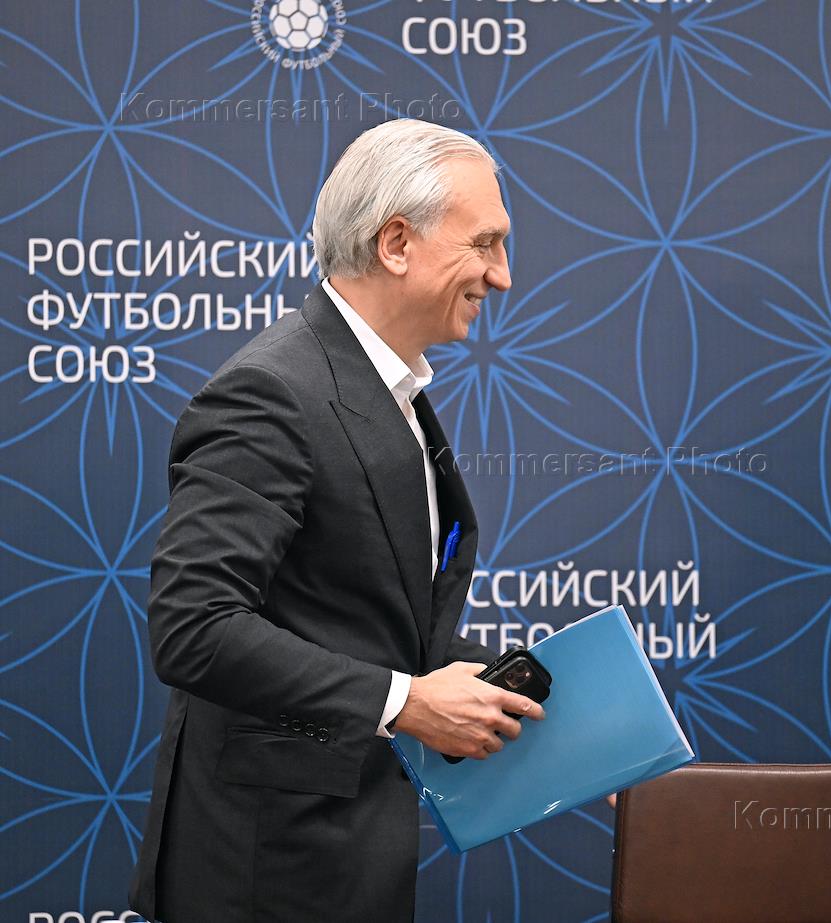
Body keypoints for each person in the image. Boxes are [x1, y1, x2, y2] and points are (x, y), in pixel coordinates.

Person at [128, 119, 545, 922]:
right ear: (397, 243)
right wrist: (405, 701)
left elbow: (369, 622)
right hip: (264, 875)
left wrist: (572, 714)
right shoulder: (271, 393)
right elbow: (193, 626)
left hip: (345, 853)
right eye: (486, 243)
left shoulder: (389, 390)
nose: (502, 275)